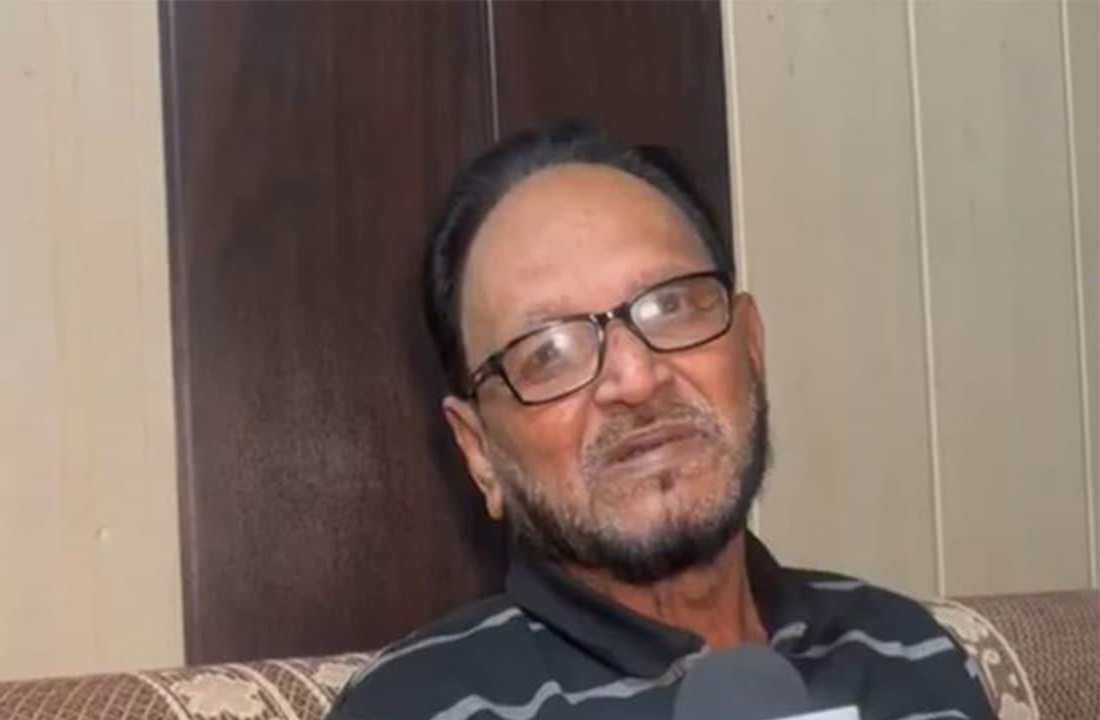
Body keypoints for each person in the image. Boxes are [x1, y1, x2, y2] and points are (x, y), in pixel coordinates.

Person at [328, 124, 994, 720]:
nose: (636, 379)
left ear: (751, 349)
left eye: (670, 307)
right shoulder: (415, 707)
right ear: (479, 452)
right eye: (549, 352)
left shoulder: (908, 655)